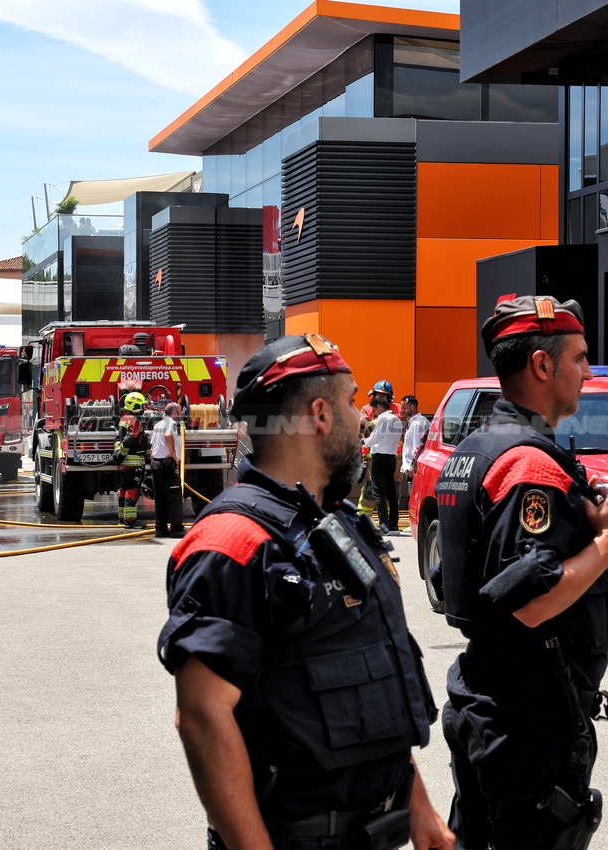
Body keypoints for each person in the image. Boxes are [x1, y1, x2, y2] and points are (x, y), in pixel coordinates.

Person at [158, 333, 452, 850]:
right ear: (320, 414)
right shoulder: (232, 542)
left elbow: (370, 686)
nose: (362, 417)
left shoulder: (339, 523)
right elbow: (202, 715)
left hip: (378, 831)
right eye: (352, 401)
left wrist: (420, 809)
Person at [436, 295, 608, 850]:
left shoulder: (470, 450)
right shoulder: (530, 464)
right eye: (579, 358)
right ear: (542, 366)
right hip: (527, 714)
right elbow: (532, 601)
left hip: (488, 693)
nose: (587, 371)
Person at [363, 396, 403, 536]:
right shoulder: (397, 421)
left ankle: (384, 526)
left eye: (374, 409)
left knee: (378, 492)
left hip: (379, 459)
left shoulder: (383, 419)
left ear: (379, 406)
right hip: (391, 458)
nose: (373, 412)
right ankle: (394, 525)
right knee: (391, 493)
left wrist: (362, 442)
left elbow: (374, 439)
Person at [113, 391, 149, 528]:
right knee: (132, 491)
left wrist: (119, 457)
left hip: (124, 464)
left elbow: (120, 439)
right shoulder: (135, 420)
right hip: (133, 463)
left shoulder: (124, 419)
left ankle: (122, 518)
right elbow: (129, 440)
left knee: (123, 490)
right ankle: (130, 521)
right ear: (135, 405)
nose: (144, 408)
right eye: (141, 405)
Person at [151, 402, 185, 538]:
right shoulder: (170, 423)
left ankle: (161, 529)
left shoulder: (158, 424)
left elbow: (152, 446)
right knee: (174, 497)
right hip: (166, 465)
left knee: (160, 499)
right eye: (180, 411)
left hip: (157, 464)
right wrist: (173, 455)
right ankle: (177, 529)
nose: (182, 413)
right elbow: (168, 434)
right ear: (174, 412)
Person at [400, 395, 429, 485]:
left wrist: (413, 466)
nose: (402, 411)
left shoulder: (417, 424)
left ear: (412, 407)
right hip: (412, 468)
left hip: (413, 469)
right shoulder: (415, 422)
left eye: (404, 408)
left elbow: (417, 447)